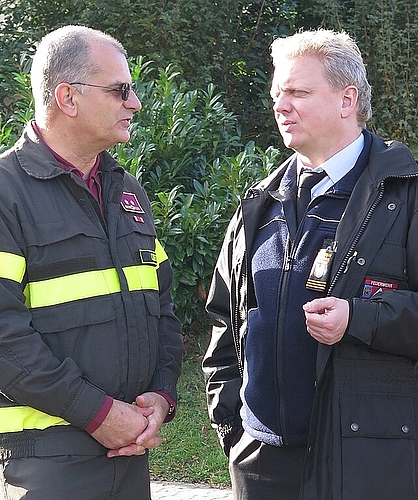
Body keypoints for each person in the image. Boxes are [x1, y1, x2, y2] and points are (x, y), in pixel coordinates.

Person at [203, 28, 418, 500]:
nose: (280, 105)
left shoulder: (408, 196)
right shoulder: (258, 203)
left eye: (297, 92)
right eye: (277, 94)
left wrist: (360, 318)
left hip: (370, 470)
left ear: (347, 100)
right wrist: (232, 428)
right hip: (260, 465)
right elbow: (225, 319)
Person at [0, 25, 184, 500]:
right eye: (121, 89)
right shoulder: (6, 193)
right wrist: (98, 413)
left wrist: (161, 395)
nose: (135, 102)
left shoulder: (128, 192)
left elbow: (162, 306)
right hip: (43, 460)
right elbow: (4, 336)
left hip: (130, 452)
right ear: (68, 97)